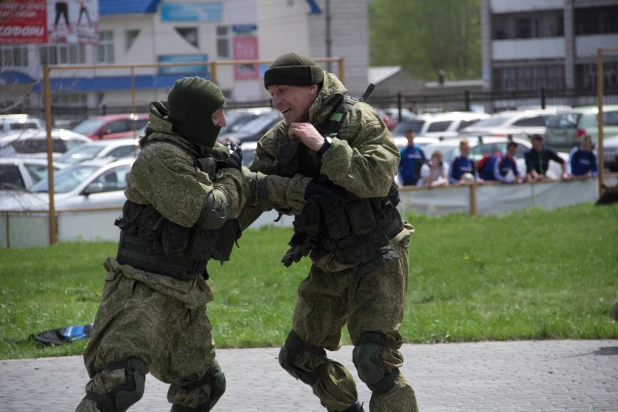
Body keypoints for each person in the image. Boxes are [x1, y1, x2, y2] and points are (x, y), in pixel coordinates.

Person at [240, 53, 418, 412]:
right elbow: (254, 192)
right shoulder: (279, 138)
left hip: (376, 255)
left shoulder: (357, 119)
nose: (276, 101)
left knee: (374, 360)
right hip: (329, 260)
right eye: (272, 93)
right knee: (299, 355)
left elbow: (378, 178)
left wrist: (324, 147)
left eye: (283, 91)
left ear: (312, 87)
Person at [75, 77, 249, 412]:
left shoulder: (200, 152)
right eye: (217, 116)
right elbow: (210, 210)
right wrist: (233, 176)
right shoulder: (160, 158)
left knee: (204, 385)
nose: (223, 123)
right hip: (144, 290)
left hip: (185, 293)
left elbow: (249, 188)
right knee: (119, 383)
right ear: (197, 116)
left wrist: (306, 189)